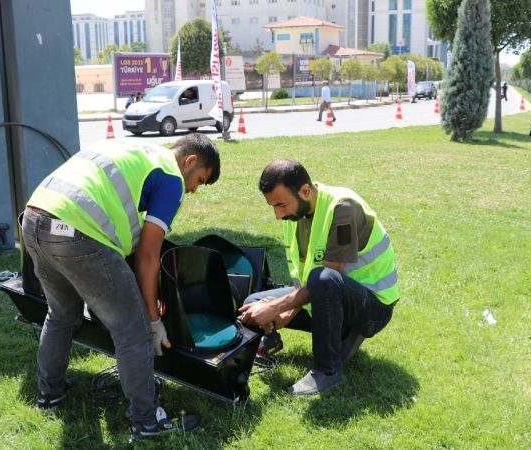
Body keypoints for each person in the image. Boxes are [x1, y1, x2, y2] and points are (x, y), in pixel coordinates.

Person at [21, 134, 220, 439]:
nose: (193, 189)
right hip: (76, 232)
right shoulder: (171, 177)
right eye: (199, 180)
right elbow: (149, 257)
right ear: (189, 161)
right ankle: (146, 420)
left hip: (36, 218)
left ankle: (50, 395)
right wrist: (153, 321)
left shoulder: (136, 148)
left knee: (61, 314)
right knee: (132, 328)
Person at [239, 159, 399, 395]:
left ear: (305, 190)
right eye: (273, 206)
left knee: (323, 279)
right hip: (328, 299)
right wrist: (283, 312)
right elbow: (304, 278)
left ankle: (328, 371)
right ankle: (266, 344)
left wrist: (276, 308)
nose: (277, 215)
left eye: (281, 205)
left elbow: (328, 277)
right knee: (253, 303)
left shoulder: (342, 208)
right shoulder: (294, 215)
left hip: (371, 308)